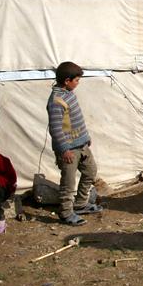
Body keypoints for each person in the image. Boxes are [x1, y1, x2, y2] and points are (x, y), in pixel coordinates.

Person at [47, 61, 102, 226]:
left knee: (91, 172)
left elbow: (75, 120)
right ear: (67, 81)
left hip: (82, 144)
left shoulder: (69, 94)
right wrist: (64, 150)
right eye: (76, 80)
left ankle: (80, 204)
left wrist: (85, 136)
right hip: (69, 149)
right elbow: (56, 129)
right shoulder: (56, 101)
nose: (78, 83)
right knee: (68, 183)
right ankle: (65, 213)